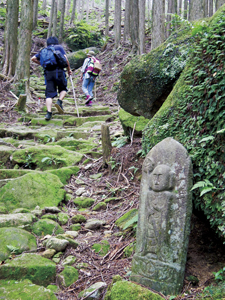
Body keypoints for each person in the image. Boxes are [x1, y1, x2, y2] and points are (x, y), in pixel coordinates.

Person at [31, 36, 72, 120]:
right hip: (59, 72)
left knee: (49, 94)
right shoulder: (59, 47)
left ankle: (49, 113)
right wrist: (69, 70)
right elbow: (66, 59)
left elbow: (33, 58)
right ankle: (59, 101)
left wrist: (42, 64)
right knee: (63, 89)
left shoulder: (45, 50)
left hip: (48, 73)